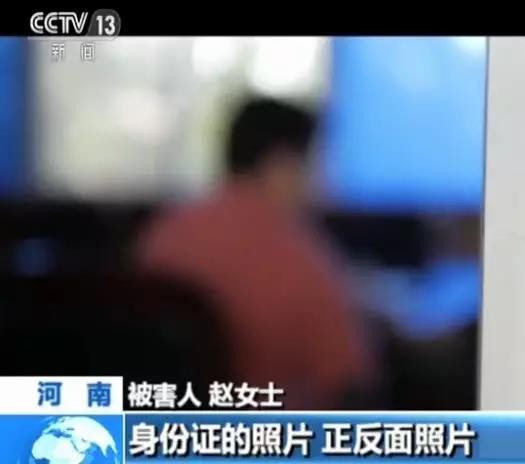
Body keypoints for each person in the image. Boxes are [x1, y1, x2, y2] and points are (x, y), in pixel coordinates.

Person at [136, 97, 373, 409]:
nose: (319, 184)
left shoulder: (164, 234)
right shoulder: (297, 254)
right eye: (313, 166)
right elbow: (350, 377)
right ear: (281, 163)